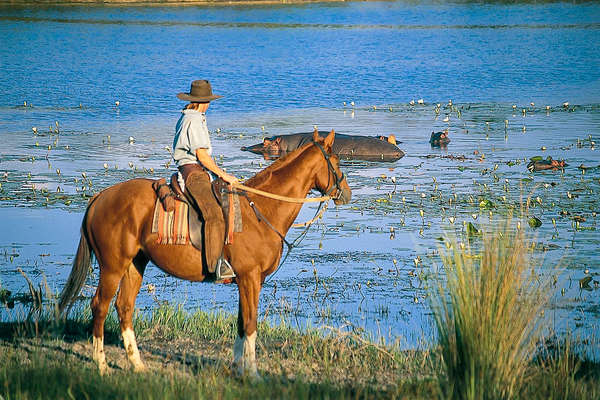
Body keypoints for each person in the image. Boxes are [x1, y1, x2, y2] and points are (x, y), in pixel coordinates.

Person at [173, 80, 237, 280]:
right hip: (193, 173)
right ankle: (215, 265)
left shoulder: (193, 117)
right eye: (209, 101)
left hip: (198, 171)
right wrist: (224, 175)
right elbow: (202, 155)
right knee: (214, 214)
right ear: (204, 101)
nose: (209, 104)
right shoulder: (193, 119)